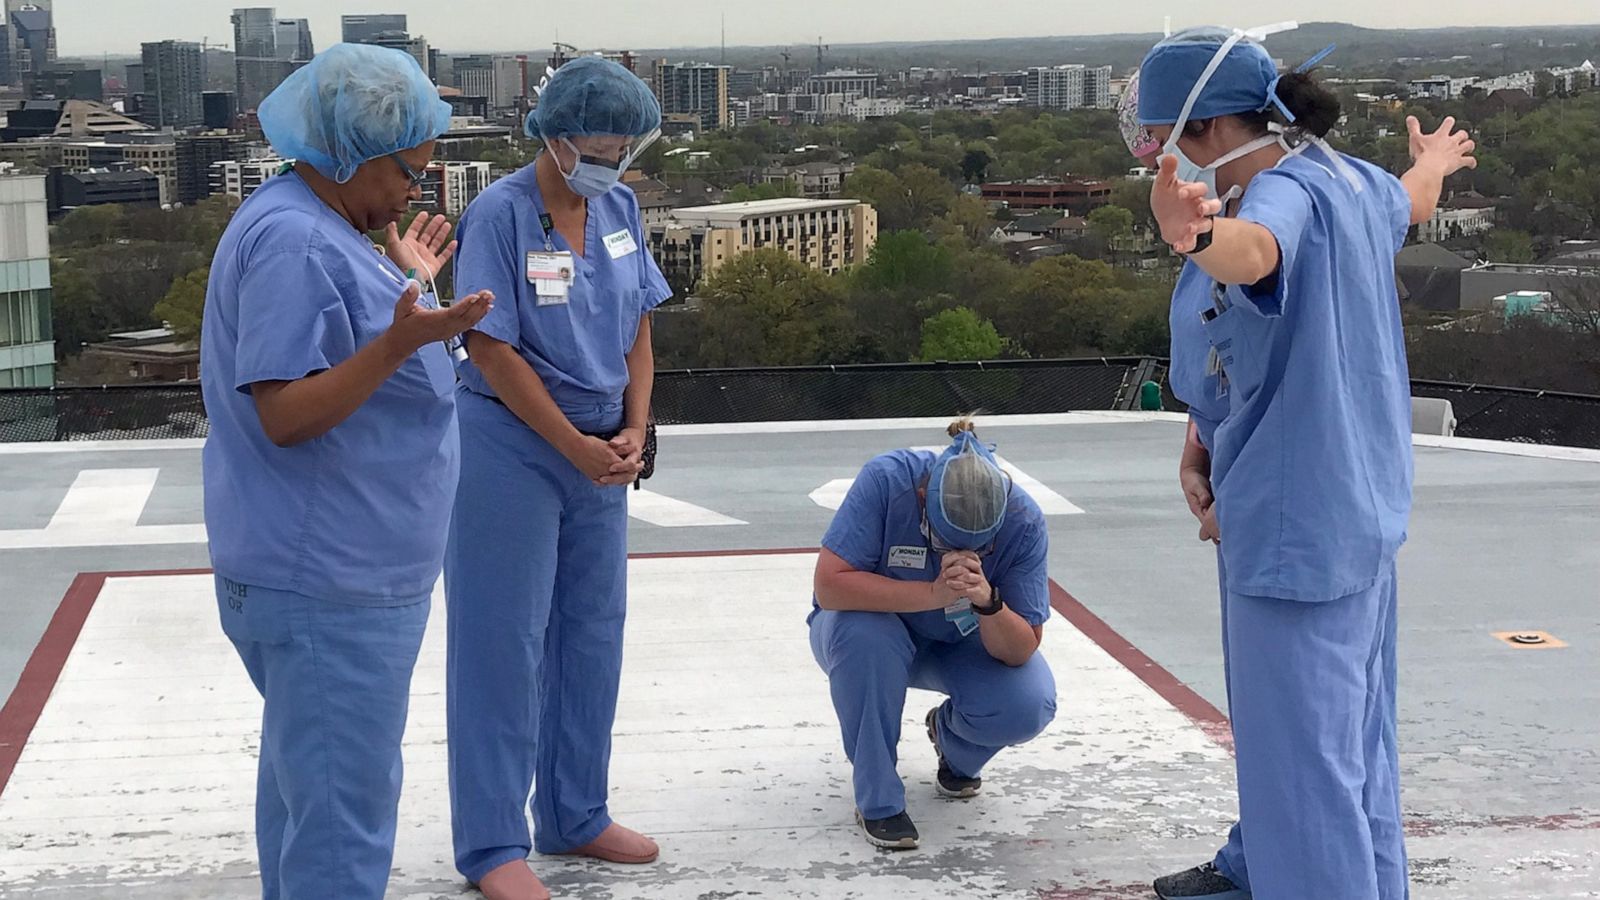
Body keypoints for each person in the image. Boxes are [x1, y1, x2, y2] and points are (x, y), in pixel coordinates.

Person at [1131, 24, 1477, 900]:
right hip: (1354, 511)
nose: (1150, 152)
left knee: (1303, 765)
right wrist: (1435, 158)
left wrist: (1194, 237)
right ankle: (1274, 868)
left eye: (1160, 134)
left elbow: (1258, 256)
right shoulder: (1349, 178)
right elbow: (1416, 200)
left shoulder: (1272, 198)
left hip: (1295, 532)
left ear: (1208, 130)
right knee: (1352, 737)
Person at [200, 43, 492, 900]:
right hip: (329, 581)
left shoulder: (321, 225)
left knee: (306, 796)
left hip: (334, 572)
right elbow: (286, 413)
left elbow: (349, 339)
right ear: (355, 153)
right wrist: (402, 339)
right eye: (408, 171)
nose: (414, 192)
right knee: (340, 823)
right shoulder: (294, 241)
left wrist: (404, 287)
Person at [443, 55, 670, 900]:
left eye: (626, 145)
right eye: (603, 144)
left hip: (604, 448)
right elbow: (490, 348)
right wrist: (572, 446)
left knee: (591, 634)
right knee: (501, 644)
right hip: (513, 445)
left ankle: (576, 812)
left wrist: (635, 428)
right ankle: (493, 844)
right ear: (558, 136)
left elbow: (638, 321)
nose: (616, 159)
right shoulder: (501, 214)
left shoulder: (620, 207)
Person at [810, 418, 1057, 850]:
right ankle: (878, 798)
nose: (961, 555)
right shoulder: (887, 480)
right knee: (864, 635)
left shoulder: (1024, 520)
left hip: (959, 643)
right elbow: (829, 586)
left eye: (979, 549)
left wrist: (988, 602)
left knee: (1028, 701)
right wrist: (931, 593)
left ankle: (954, 744)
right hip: (873, 632)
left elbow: (1021, 649)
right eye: (945, 543)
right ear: (923, 499)